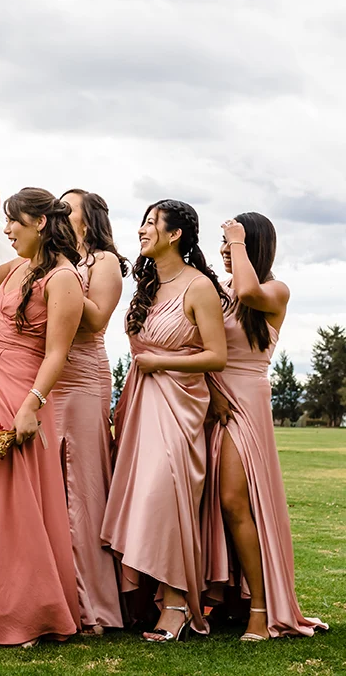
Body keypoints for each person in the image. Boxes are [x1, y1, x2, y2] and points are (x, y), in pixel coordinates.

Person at [0, 187, 84, 647]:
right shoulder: (18, 267)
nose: (7, 229)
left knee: (7, 503)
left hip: (17, 391)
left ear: (40, 224)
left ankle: (23, 612)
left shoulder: (64, 278)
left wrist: (31, 404)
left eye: (12, 222)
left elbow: (58, 353)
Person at [101, 199, 228, 642]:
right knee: (140, 496)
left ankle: (176, 603)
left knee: (167, 495)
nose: (141, 229)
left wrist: (160, 362)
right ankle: (141, 599)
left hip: (180, 405)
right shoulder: (149, 285)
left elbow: (217, 354)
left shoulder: (199, 287)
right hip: (140, 403)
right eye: (142, 221)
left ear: (176, 234)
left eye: (152, 223)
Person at [202, 214, 327, 640]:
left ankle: (260, 607)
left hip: (246, 401)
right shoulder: (217, 293)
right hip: (209, 399)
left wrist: (237, 242)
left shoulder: (273, 291)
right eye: (222, 241)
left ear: (253, 246)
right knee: (208, 505)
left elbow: (248, 289)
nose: (223, 248)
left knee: (236, 501)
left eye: (232, 242)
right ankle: (219, 597)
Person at [53, 188, 127, 633]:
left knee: (82, 488)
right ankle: (59, 594)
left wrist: (62, 278)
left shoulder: (104, 262)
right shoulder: (55, 259)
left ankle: (94, 604)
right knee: (53, 489)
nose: (60, 213)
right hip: (50, 375)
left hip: (83, 378)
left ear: (89, 217)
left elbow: (97, 318)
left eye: (68, 208)